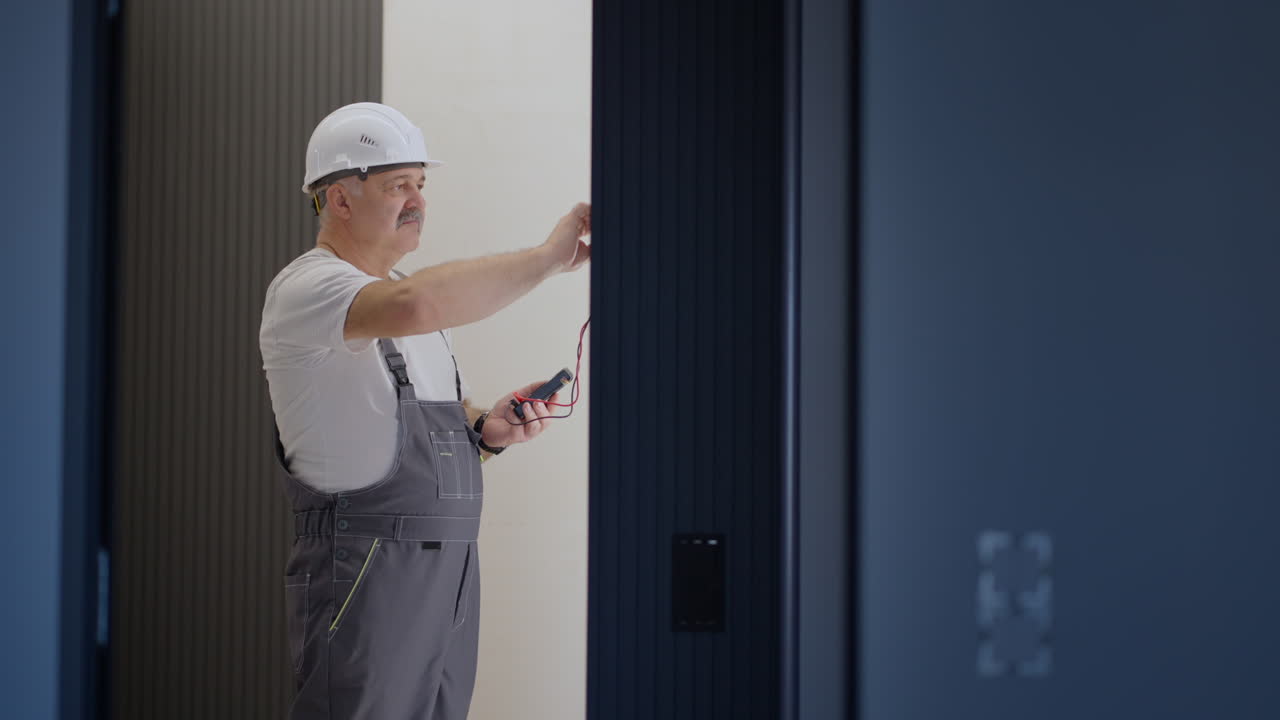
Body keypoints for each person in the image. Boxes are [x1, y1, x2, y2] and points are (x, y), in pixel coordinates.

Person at [259, 102, 590, 719]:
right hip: (366, 568)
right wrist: (549, 257)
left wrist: (484, 430)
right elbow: (415, 304)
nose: (418, 201)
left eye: (420, 184)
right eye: (398, 186)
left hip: (449, 570)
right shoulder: (310, 289)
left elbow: (406, 414)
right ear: (340, 199)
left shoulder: (405, 301)